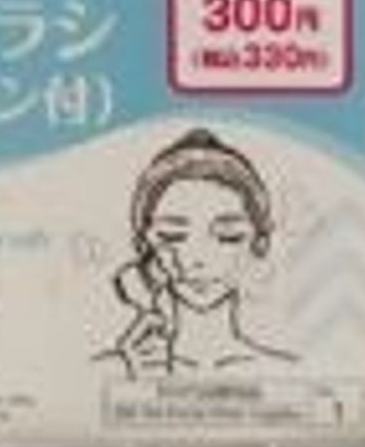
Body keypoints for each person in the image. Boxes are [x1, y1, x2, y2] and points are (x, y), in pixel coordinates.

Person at [97, 128, 297, 377]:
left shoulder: (287, 373)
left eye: (228, 237)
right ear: (143, 244)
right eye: (172, 236)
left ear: (260, 243)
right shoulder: (112, 370)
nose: (198, 260)